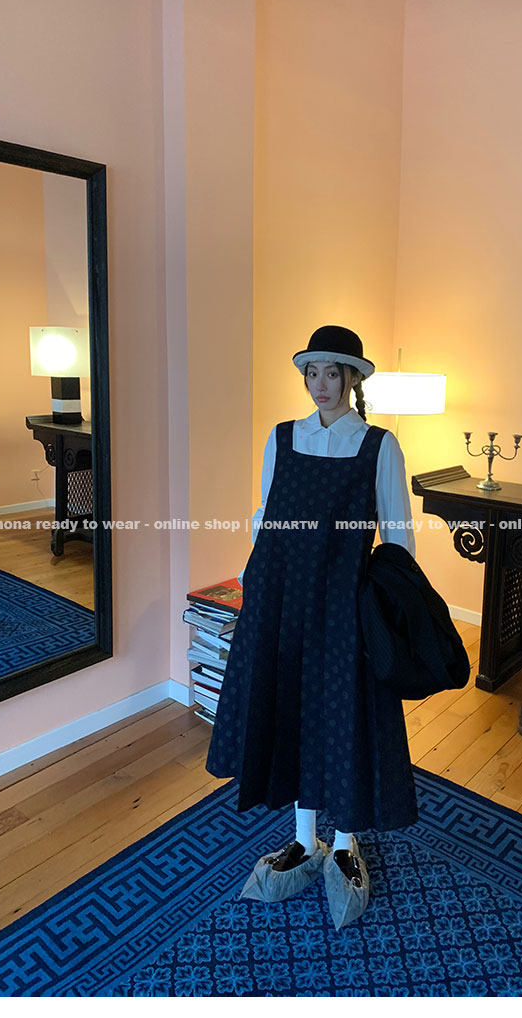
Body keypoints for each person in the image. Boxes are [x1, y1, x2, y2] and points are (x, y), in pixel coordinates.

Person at [205, 325, 419, 930]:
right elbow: (264, 513)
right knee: (292, 710)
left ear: (352, 379)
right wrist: (256, 579)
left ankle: (345, 845)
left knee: (343, 715)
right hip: (281, 599)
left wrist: (388, 606)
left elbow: (398, 535)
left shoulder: (379, 446)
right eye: (312, 373)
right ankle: (304, 840)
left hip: (344, 605)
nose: (321, 384)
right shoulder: (282, 437)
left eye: (333, 373)